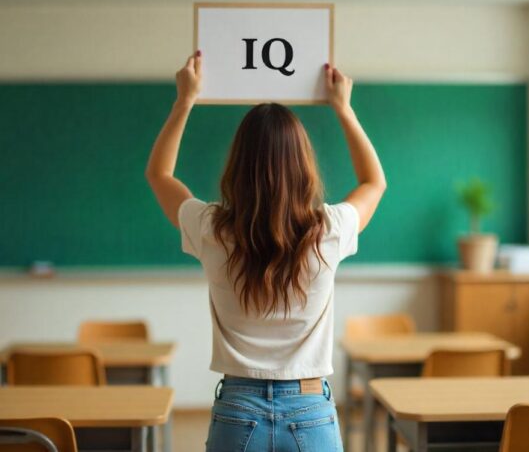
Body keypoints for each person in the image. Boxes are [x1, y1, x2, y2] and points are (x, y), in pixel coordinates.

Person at [145, 50, 386, 451]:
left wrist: (184, 100)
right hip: (310, 407)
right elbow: (374, 183)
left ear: (237, 167)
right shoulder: (328, 230)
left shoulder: (212, 229)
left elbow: (159, 175)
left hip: (238, 408)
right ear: (304, 168)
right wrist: (344, 109)